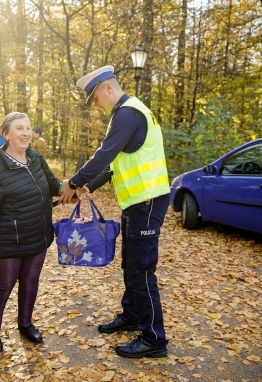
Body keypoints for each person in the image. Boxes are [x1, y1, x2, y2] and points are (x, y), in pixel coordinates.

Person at [60, 65, 170, 359]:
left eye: (95, 96)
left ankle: (153, 339)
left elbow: (104, 154)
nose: (95, 104)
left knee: (141, 271)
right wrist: (87, 188)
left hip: (146, 202)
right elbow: (113, 165)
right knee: (130, 266)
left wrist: (73, 183)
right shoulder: (129, 112)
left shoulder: (127, 113)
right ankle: (132, 315)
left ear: (108, 88)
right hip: (137, 203)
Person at [0, 112, 69, 353]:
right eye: (19, 128)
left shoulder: (36, 158)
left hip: (38, 235)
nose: (25, 133)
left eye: (28, 128)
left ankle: (25, 324)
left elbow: (54, 185)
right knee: (3, 286)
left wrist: (74, 186)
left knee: (31, 282)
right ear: (6, 134)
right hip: (9, 241)